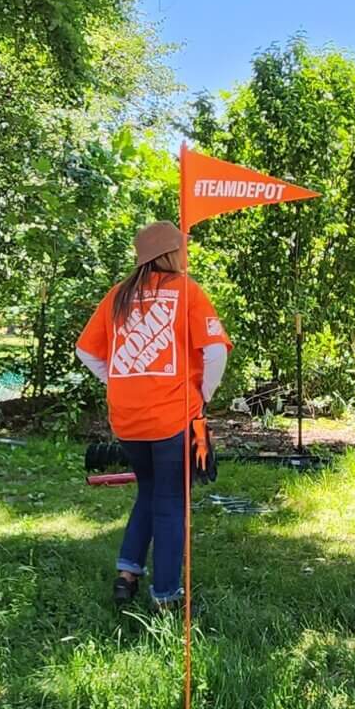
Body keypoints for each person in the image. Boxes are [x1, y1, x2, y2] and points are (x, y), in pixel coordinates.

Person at [76, 222, 231, 609]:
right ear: (170, 253)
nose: (187, 253)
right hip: (172, 417)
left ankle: (127, 574)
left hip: (127, 419)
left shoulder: (118, 295)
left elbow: (86, 351)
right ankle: (165, 594)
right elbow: (215, 352)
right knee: (170, 502)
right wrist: (203, 394)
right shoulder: (187, 291)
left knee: (148, 491)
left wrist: (118, 381)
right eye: (182, 247)